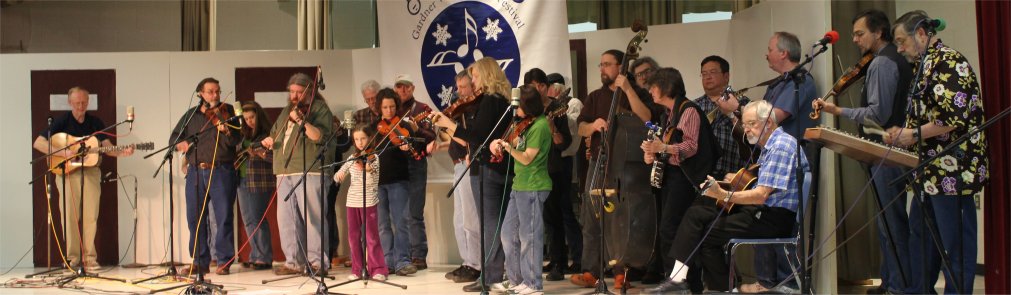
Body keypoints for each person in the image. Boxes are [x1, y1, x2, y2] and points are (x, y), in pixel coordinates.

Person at [646, 100, 809, 294]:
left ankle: (715, 288)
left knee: (707, 234)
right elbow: (761, 186)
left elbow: (762, 195)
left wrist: (723, 194)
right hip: (763, 212)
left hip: (774, 218)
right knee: (698, 212)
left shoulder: (781, 146)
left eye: (752, 124)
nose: (746, 129)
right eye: (745, 124)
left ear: (769, 123)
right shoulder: (770, 147)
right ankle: (680, 279)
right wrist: (733, 182)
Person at [886, 10, 988, 294]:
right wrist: (904, 133)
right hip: (927, 170)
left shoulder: (949, 62)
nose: (900, 48)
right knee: (921, 240)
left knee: (955, 244)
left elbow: (950, 119)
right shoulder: (924, 65)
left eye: (902, 40)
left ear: (921, 33)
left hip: (951, 172)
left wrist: (911, 134)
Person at [811, 9, 912, 294]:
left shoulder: (881, 63)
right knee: (889, 224)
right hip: (889, 153)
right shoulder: (892, 58)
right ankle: (891, 282)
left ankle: (899, 287)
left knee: (891, 225)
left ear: (878, 32)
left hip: (886, 153)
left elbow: (877, 114)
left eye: (859, 33)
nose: (855, 39)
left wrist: (837, 109)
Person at [571, 49, 658, 291]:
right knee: (592, 217)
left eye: (607, 65)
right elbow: (581, 129)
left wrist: (628, 90)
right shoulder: (595, 96)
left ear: (621, 67)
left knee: (621, 219)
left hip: (626, 166)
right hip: (599, 161)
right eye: (601, 65)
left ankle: (623, 272)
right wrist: (593, 126)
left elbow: (647, 119)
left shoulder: (637, 93)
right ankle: (591, 271)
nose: (602, 69)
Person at [430, 57, 514, 292]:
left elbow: (477, 136)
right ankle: (494, 275)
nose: (473, 82)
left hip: (488, 168)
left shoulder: (490, 101)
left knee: (489, 226)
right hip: (493, 167)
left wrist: (448, 123)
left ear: (486, 75)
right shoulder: (500, 100)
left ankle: (489, 278)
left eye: (475, 76)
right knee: (493, 226)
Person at [33, 86, 135, 272]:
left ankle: (89, 259)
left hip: (91, 172)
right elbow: (38, 142)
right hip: (67, 173)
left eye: (84, 102)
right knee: (70, 218)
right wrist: (63, 152)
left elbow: (107, 146)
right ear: (70, 102)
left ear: (88, 102)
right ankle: (73, 259)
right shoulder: (62, 121)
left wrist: (122, 152)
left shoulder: (95, 122)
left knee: (90, 217)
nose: (81, 106)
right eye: (77, 102)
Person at [640, 67, 719, 291]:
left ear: (666, 87)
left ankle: (682, 284)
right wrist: (653, 151)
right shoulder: (670, 113)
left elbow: (691, 146)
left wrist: (663, 146)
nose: (651, 92)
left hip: (685, 181)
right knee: (670, 231)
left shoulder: (688, 110)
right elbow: (671, 148)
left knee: (672, 231)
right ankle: (677, 282)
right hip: (673, 178)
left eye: (653, 87)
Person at [260, 73, 335, 276]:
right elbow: (276, 134)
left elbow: (319, 137)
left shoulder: (319, 110)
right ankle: (293, 262)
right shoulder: (286, 111)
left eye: (299, 92)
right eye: (291, 92)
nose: (294, 96)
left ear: (309, 92)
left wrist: (302, 120)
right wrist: (269, 140)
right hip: (284, 171)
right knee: (287, 219)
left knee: (313, 218)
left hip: (310, 169)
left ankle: (318, 262)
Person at [170, 78, 240, 276]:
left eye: (217, 91)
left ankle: (224, 261)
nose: (215, 95)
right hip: (195, 172)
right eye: (210, 92)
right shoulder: (191, 115)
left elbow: (237, 138)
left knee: (224, 216)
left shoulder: (229, 112)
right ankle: (200, 261)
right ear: (200, 93)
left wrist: (225, 129)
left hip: (222, 170)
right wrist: (181, 144)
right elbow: (174, 138)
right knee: (195, 218)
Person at [492, 85, 552, 295]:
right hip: (520, 186)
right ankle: (517, 280)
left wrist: (508, 148)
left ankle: (534, 284)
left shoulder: (540, 126)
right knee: (508, 234)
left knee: (529, 237)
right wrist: (505, 142)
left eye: (519, 107)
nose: (516, 111)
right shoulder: (529, 124)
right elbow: (520, 144)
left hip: (534, 186)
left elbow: (527, 158)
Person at [523, 69, 574, 282]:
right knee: (540, 219)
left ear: (546, 86)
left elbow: (565, 143)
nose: (538, 89)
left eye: (541, 85)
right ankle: (550, 259)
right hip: (531, 171)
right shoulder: (524, 110)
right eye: (533, 86)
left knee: (556, 217)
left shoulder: (556, 108)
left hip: (553, 169)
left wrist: (552, 128)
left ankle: (560, 263)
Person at [438, 71, 482, 283]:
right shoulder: (461, 110)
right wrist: (443, 140)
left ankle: (476, 264)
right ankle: (467, 261)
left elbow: (467, 141)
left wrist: (447, 124)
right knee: (459, 221)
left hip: (468, 165)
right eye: (458, 87)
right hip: (457, 166)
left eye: (464, 87)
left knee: (470, 220)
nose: (459, 92)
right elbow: (455, 139)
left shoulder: (474, 111)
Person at [373, 88, 419, 276]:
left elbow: (414, 149)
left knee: (401, 221)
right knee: (383, 224)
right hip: (378, 181)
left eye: (392, 106)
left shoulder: (404, 127)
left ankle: (402, 261)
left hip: (399, 180)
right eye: (385, 107)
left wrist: (408, 147)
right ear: (379, 108)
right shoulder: (373, 128)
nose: (389, 111)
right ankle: (387, 261)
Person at [335, 124, 389, 282]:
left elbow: (372, 174)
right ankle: (357, 269)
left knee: (371, 237)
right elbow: (342, 170)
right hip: (352, 201)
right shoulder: (352, 158)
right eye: (356, 139)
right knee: (353, 237)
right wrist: (338, 175)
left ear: (370, 139)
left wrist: (364, 167)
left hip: (369, 201)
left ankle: (378, 269)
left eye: (363, 138)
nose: (359, 142)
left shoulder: (374, 157)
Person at [393, 74, 436, 270]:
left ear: (413, 88)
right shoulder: (391, 109)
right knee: (399, 214)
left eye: (406, 87)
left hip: (416, 163)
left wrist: (416, 129)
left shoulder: (422, 109)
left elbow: (431, 135)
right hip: (397, 165)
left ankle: (419, 255)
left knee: (414, 212)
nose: (403, 90)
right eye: (399, 87)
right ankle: (403, 255)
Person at [545, 73, 584, 277]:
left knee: (566, 211)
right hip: (551, 160)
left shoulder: (573, 103)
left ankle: (578, 257)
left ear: (556, 89)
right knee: (552, 213)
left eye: (548, 88)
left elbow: (572, 130)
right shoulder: (548, 108)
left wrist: (555, 117)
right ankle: (555, 258)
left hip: (565, 160)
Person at [236, 101, 275, 270]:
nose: (249, 121)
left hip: (260, 180)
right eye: (246, 119)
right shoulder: (243, 134)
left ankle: (265, 257)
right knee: (248, 220)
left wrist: (260, 154)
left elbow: (275, 158)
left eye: (252, 117)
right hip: (242, 180)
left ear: (259, 115)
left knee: (257, 218)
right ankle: (256, 254)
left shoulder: (268, 133)